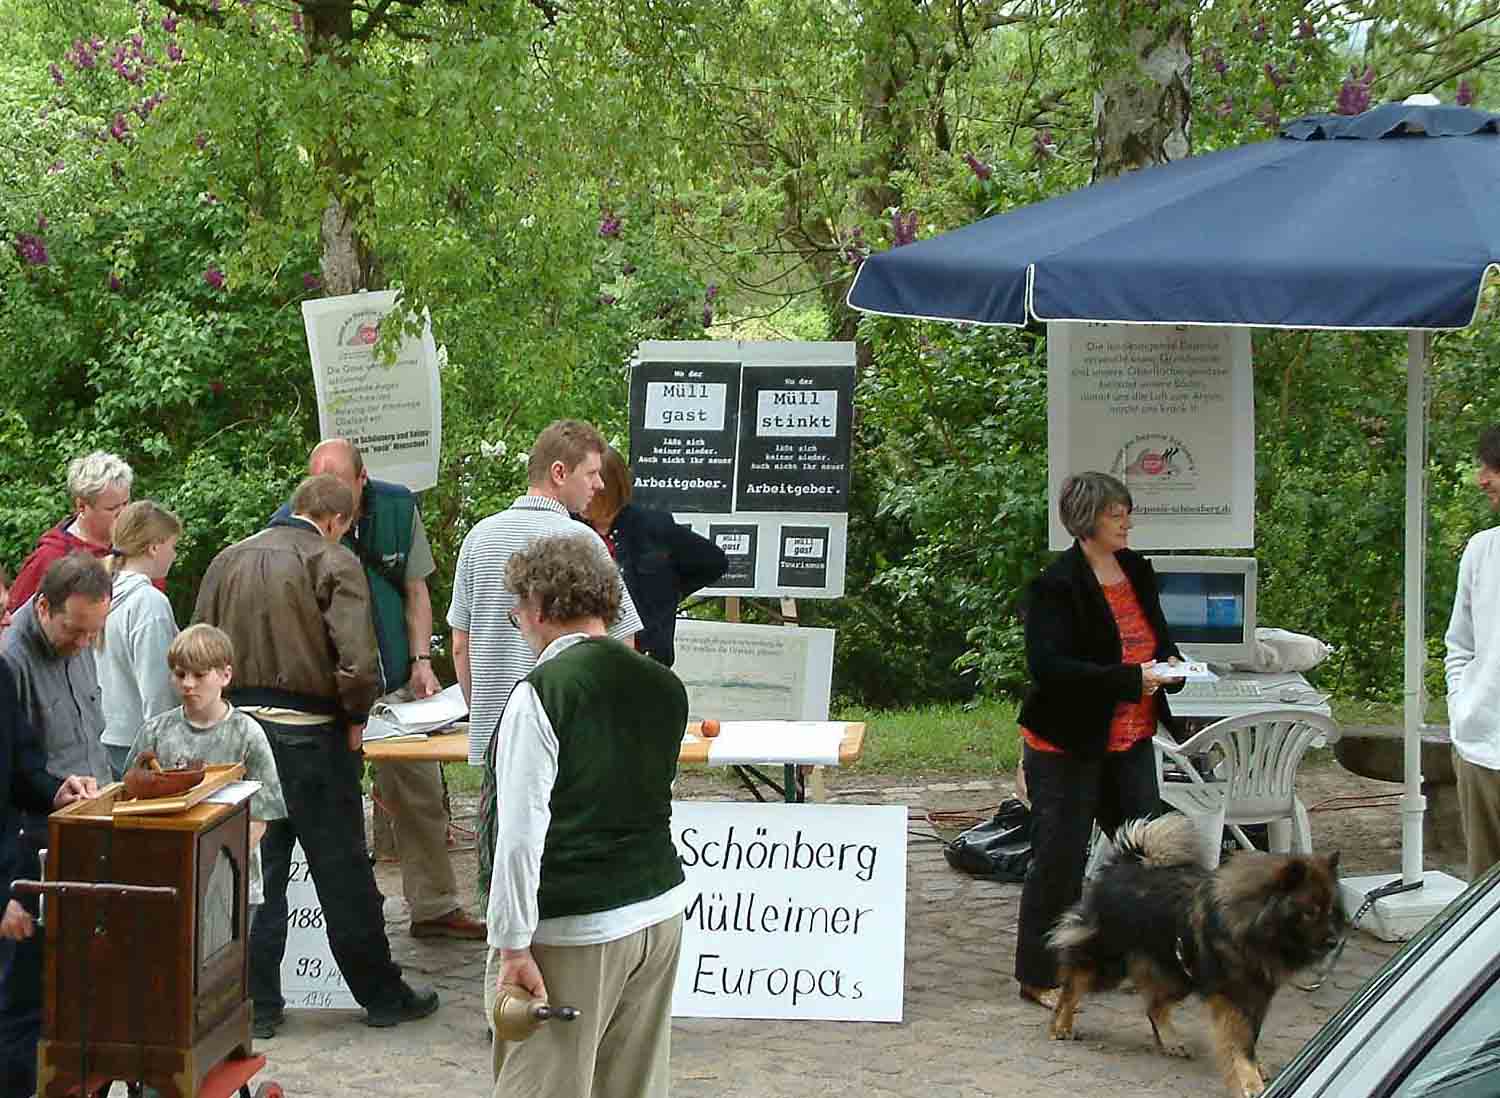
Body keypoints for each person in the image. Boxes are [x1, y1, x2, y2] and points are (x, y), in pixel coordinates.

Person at [193, 473, 438, 1038]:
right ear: (337, 521)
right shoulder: (331, 560)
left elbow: (197, 643)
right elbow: (356, 661)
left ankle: (256, 1004)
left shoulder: (226, 560)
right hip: (311, 739)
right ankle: (381, 996)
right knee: (343, 872)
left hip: (238, 738)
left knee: (254, 874)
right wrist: (356, 719)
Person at [487, 534, 688, 1097]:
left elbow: (519, 836)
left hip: (578, 925)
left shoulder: (545, 692)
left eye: (519, 608)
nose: (516, 620)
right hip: (660, 912)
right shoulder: (665, 685)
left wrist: (512, 945)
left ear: (544, 608)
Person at [448, 420, 643, 914]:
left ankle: (507, 959)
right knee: (561, 863)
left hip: (496, 737)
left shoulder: (479, 537)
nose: (600, 486)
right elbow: (623, 643)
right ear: (559, 473)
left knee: (503, 863)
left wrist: (483, 713)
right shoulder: (584, 544)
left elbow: (460, 645)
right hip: (575, 737)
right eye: (592, 474)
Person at [292, 439, 483, 940]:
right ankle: (339, 920)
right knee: (330, 800)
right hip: (328, 692)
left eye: (340, 487)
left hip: (394, 682)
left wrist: (422, 662)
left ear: (362, 479)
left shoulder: (397, 506)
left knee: (420, 795)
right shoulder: (292, 520)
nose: (330, 499)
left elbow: (416, 589)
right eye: (321, 486)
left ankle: (435, 906)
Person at [1012, 471, 1183, 1009]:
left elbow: (1153, 636)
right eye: (1116, 514)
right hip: (1067, 742)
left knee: (1149, 850)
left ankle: (1134, 956)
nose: (1127, 522)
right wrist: (1133, 679)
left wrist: (1173, 667)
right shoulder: (1054, 585)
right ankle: (1040, 974)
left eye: (1127, 512)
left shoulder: (1136, 569)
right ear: (1088, 520)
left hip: (1130, 738)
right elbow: (1051, 668)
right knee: (1060, 859)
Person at [126, 624, 286, 904]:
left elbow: (261, 817)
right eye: (180, 674)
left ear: (225, 675)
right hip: (166, 881)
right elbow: (129, 797)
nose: (188, 684)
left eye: (199, 675)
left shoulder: (247, 734)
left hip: (232, 885)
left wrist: (216, 868)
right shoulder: (155, 731)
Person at [0, 661, 96, 1098]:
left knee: (22, 1015)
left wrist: (54, 790)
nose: (5, 624)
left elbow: (21, 768)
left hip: (11, 867)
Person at [581, 446, 727, 666]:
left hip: (643, 658)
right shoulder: (569, 526)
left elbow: (714, 562)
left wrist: (667, 596)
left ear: (608, 489)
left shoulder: (653, 527)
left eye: (593, 488)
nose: (586, 495)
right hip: (586, 655)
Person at [0, 553, 115, 786]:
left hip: (98, 797)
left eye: (93, 632)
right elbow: (15, 769)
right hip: (48, 814)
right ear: (43, 607)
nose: (84, 644)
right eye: (74, 631)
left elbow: (91, 740)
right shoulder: (11, 659)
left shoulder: (80, 632)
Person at [1444, 425, 1500, 880]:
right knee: (1484, 908)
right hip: (1481, 753)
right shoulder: (1482, 550)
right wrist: (1462, 708)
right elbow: (1458, 645)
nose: (1483, 479)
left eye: (1493, 467)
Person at [99, 501, 183, 780]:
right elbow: (158, 688)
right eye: (173, 546)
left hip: (101, 737)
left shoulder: (100, 592)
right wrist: (167, 748)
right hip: (138, 745)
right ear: (154, 547)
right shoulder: (149, 603)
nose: (174, 555)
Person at [6, 451, 133, 614]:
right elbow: (12, 622)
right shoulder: (50, 558)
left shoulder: (136, 546)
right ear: (82, 506)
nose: (124, 513)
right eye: (112, 508)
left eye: (126, 503)